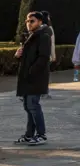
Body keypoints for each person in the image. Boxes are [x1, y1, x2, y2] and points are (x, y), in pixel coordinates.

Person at [14, 11, 52, 145]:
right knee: (28, 106)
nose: (28, 24)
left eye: (32, 21)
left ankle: (41, 134)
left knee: (33, 105)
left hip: (35, 78)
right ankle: (29, 135)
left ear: (40, 22)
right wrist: (18, 55)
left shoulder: (43, 36)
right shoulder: (30, 36)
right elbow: (27, 58)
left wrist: (31, 71)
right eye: (27, 21)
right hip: (27, 77)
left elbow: (43, 58)